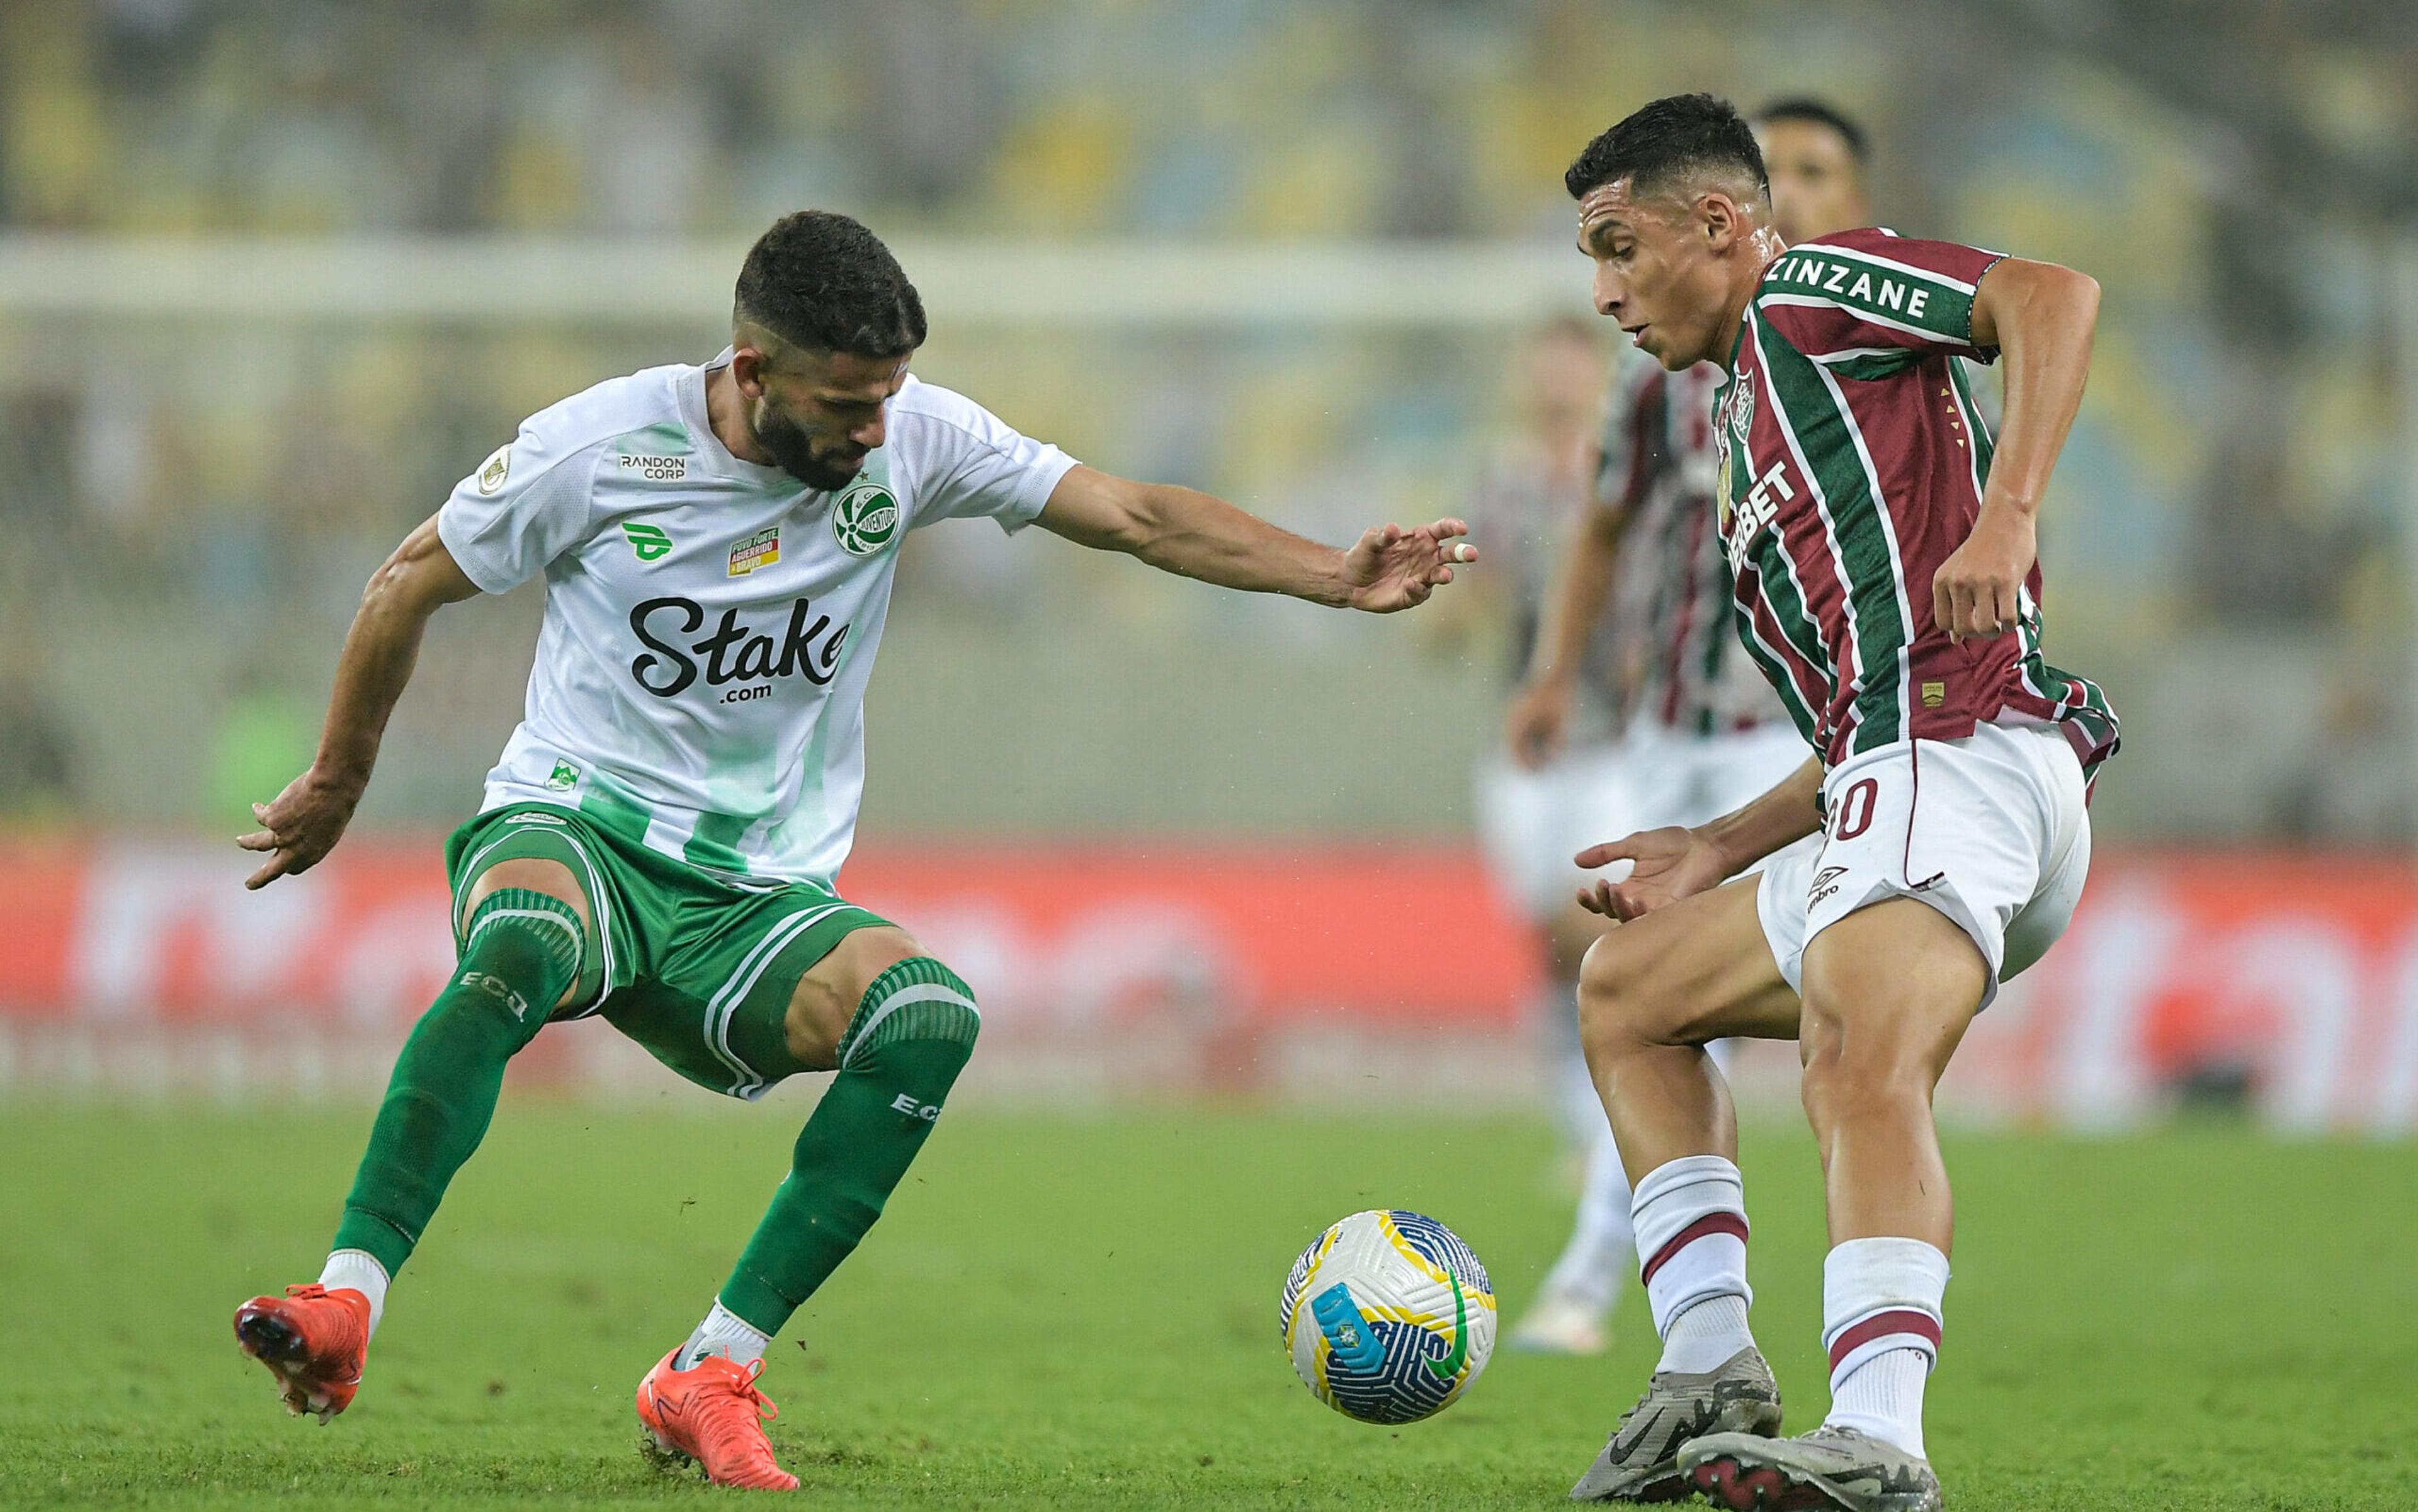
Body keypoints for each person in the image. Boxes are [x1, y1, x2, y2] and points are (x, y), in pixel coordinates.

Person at [229, 210, 1476, 1490]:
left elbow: (1136, 514)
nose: (875, 429)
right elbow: (405, 583)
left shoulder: (915, 433)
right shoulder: (601, 446)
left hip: (759, 895)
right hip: (579, 821)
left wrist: (1334, 575)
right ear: (753, 371)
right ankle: (346, 1300)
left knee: (929, 1016)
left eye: (886, 396)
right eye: (845, 402)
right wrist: (338, 779)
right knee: (526, 944)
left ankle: (707, 1368)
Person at [1555, 96, 2116, 1511]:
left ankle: (1880, 1437)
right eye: (1591, 262)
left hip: (1964, 755)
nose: (1608, 291)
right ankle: (1709, 1367)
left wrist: (2015, 510)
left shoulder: (1809, 290)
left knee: (1854, 1063)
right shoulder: (1743, 408)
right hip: (1895, 774)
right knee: (1628, 991)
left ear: (1722, 227)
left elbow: (2050, 294)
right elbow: (1864, 686)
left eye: (1623, 248)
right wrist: (1724, 841)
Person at [1502, 99, 1876, 1357]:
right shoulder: (1660, 382)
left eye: (1821, 173)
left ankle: (1614, 1278)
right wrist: (1555, 671)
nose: (1801, 191)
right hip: (1666, 724)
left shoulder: (1871, 356)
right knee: (1626, 976)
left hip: (1802, 742)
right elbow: (1606, 524)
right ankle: (1693, 1306)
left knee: (1688, 998)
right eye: (1786, 168)